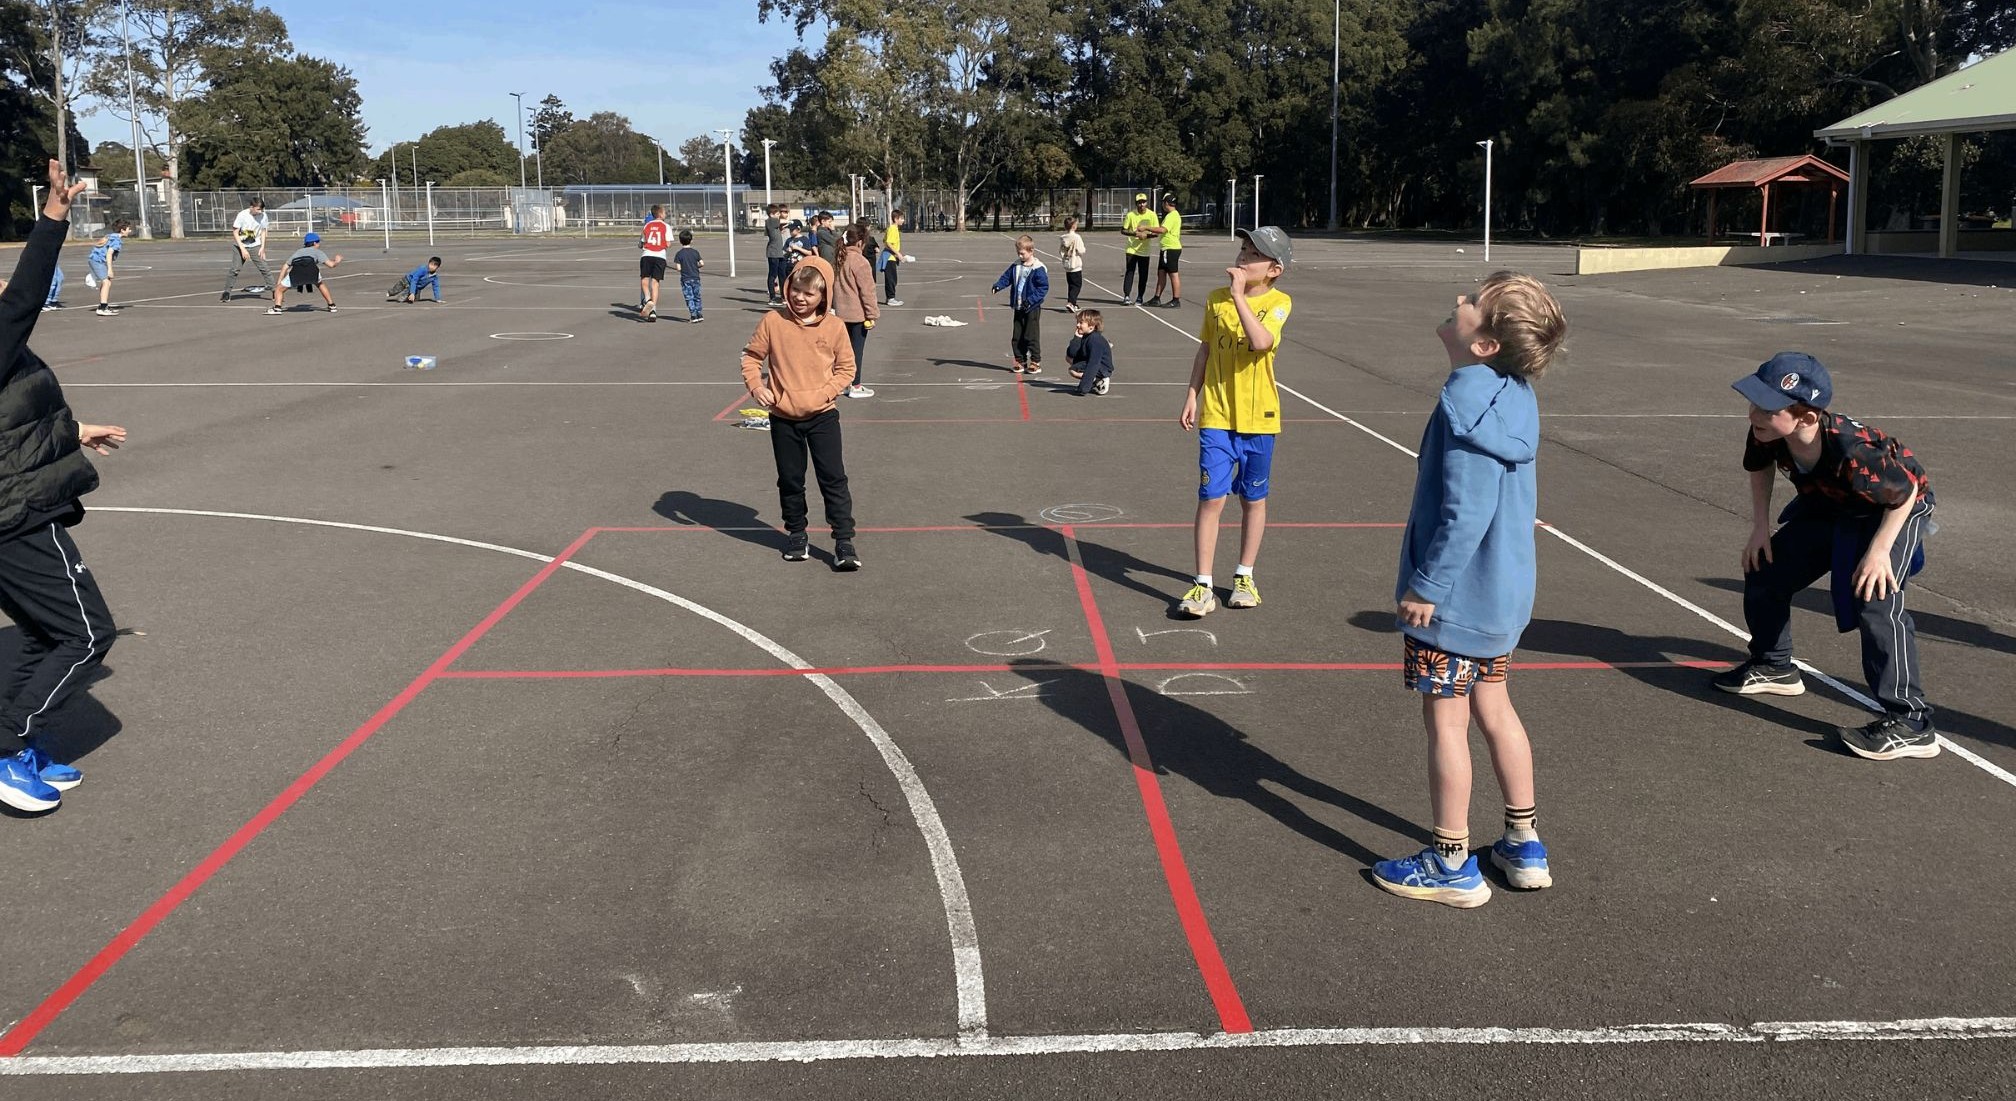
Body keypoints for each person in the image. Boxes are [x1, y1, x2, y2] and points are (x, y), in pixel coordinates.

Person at [1371, 272, 1567, 909]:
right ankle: (1522, 840)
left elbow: (1466, 511)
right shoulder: (1515, 393)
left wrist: (1428, 585)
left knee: (1446, 723)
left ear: (1484, 345)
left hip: (1457, 601)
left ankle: (1451, 861)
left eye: (1472, 304)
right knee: (1495, 707)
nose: (1458, 302)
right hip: (1502, 593)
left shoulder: (1465, 406)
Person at [1714, 353, 1941, 761]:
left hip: (1891, 510)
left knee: (1875, 602)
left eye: (1766, 407)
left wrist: (1878, 553)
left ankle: (1911, 722)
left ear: (1806, 416)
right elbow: (1758, 467)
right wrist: (1760, 527)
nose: (1753, 414)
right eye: (1752, 403)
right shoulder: (1766, 431)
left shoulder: (1853, 451)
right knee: (1766, 568)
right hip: (1833, 503)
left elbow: (1903, 493)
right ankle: (1774, 664)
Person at [0, 160, 129, 813]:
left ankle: (13, 743)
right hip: (15, 516)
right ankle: (4, 747)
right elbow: (24, 298)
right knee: (85, 635)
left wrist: (75, 429)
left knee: (43, 633)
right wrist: (54, 216)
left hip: (12, 504)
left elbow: (12, 417)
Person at [1175, 227, 1293, 618]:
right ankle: (1202, 584)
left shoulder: (1279, 303)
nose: (1243, 257)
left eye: (1253, 253)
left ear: (1274, 269)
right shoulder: (1215, 300)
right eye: (1243, 248)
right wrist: (1193, 394)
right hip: (1218, 416)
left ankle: (1245, 576)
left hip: (1260, 420)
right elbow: (1205, 349)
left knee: (1253, 500)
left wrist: (1240, 296)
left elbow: (1261, 342)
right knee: (1211, 498)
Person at [739, 257, 861, 571]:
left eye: (809, 293)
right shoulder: (773, 321)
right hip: (783, 418)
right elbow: (752, 358)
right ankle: (796, 533)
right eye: (796, 289)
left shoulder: (833, 326)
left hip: (823, 416)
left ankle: (844, 540)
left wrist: (824, 393)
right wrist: (757, 386)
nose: (800, 298)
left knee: (833, 479)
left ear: (823, 296)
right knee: (791, 480)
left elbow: (847, 369)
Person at [831, 223, 879, 399]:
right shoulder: (860, 261)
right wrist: (872, 314)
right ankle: (856, 385)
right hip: (858, 315)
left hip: (840, 313)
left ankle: (843, 383)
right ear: (860, 242)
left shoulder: (839, 258)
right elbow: (867, 291)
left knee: (841, 351)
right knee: (856, 351)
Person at [990, 234, 1049, 375]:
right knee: (1017, 335)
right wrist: (998, 286)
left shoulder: (1038, 268)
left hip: (1031, 308)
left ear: (1031, 251)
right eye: (1018, 253)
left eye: (1022, 253)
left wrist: (1031, 300)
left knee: (1031, 335)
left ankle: (1035, 361)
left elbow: (1043, 288)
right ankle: (1020, 360)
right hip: (1018, 306)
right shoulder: (1016, 265)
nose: (1020, 256)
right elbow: (1007, 277)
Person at [268, 232, 343, 314]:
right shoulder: (317, 252)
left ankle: (277, 308)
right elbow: (331, 265)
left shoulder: (298, 252)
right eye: (318, 242)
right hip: (312, 273)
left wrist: (279, 283)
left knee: (279, 289)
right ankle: (331, 305)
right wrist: (337, 260)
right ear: (314, 243)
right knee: (320, 284)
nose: (319, 244)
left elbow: (285, 266)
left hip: (296, 274)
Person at [221, 196, 272, 302]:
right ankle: (226, 292)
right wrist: (243, 249)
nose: (260, 211)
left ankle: (274, 291)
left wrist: (262, 247)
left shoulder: (263, 216)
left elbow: (263, 231)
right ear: (251, 207)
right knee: (235, 269)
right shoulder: (242, 215)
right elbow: (235, 232)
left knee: (265, 268)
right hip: (240, 245)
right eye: (258, 209)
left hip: (255, 245)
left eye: (261, 209)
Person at [1120, 193, 1158, 305]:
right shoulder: (1131, 215)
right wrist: (1134, 233)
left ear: (1146, 202)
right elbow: (1123, 230)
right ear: (1136, 203)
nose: (1141, 204)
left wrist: (1146, 235)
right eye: (1139, 202)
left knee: (1143, 274)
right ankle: (1126, 295)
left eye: (1143, 202)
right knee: (1130, 272)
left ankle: (1140, 297)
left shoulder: (1152, 215)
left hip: (1144, 250)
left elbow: (1156, 232)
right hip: (1131, 249)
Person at [84, 220, 128, 317]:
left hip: (94, 260)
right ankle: (102, 308)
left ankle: (103, 305)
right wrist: (110, 269)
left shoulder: (111, 236)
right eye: (128, 228)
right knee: (106, 282)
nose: (130, 230)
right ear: (122, 230)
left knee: (107, 282)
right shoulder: (116, 240)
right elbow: (109, 254)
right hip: (97, 261)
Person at [1146, 195, 1183, 308]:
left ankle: (1176, 300)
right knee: (1161, 273)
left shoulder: (1172, 216)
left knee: (1173, 274)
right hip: (1165, 248)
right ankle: (1156, 298)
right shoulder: (1171, 215)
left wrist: (1146, 227)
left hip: (1171, 248)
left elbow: (1162, 230)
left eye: (1163, 202)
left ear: (1166, 203)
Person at [1067, 308, 1114, 395]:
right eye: (1077, 322)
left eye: (1081, 323)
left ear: (1091, 326)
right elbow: (1071, 353)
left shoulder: (1095, 340)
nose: (1077, 325)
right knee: (1069, 358)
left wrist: (1084, 388)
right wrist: (1076, 338)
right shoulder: (1085, 336)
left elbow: (1094, 363)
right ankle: (1094, 379)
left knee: (1073, 370)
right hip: (1090, 361)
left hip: (1102, 368)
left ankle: (1098, 379)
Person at [638, 204, 672, 322]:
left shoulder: (647, 225)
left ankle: (648, 300)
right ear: (660, 214)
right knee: (655, 283)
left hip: (647, 255)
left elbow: (642, 242)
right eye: (665, 212)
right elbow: (668, 244)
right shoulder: (666, 226)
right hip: (660, 256)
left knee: (644, 281)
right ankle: (653, 309)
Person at [672, 229, 705, 323]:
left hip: (686, 278)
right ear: (691, 240)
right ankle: (699, 313)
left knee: (689, 297)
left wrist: (684, 268)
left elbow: (678, 268)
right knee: (697, 296)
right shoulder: (695, 252)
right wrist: (696, 266)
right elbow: (702, 263)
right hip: (695, 277)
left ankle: (693, 315)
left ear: (680, 241)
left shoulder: (679, 254)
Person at [1059, 216, 1086, 312]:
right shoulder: (1076, 237)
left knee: (1071, 284)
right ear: (1074, 226)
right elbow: (1081, 250)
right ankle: (1071, 302)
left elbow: (1061, 251)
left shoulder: (1063, 238)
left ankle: (1073, 303)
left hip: (1067, 264)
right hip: (1075, 264)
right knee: (1077, 285)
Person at [764, 204, 789, 306]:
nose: (780, 215)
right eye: (778, 213)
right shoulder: (770, 221)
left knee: (782, 275)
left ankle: (783, 296)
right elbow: (784, 221)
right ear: (771, 214)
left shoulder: (776, 224)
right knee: (772, 275)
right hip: (773, 252)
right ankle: (772, 298)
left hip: (780, 253)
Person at [881, 209, 907, 306]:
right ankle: (890, 298)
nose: (903, 220)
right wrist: (897, 254)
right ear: (896, 219)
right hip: (889, 258)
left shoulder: (894, 229)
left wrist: (898, 254)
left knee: (893, 278)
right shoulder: (892, 228)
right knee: (890, 279)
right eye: (901, 218)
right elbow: (887, 242)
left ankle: (891, 297)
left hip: (892, 257)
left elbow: (885, 241)